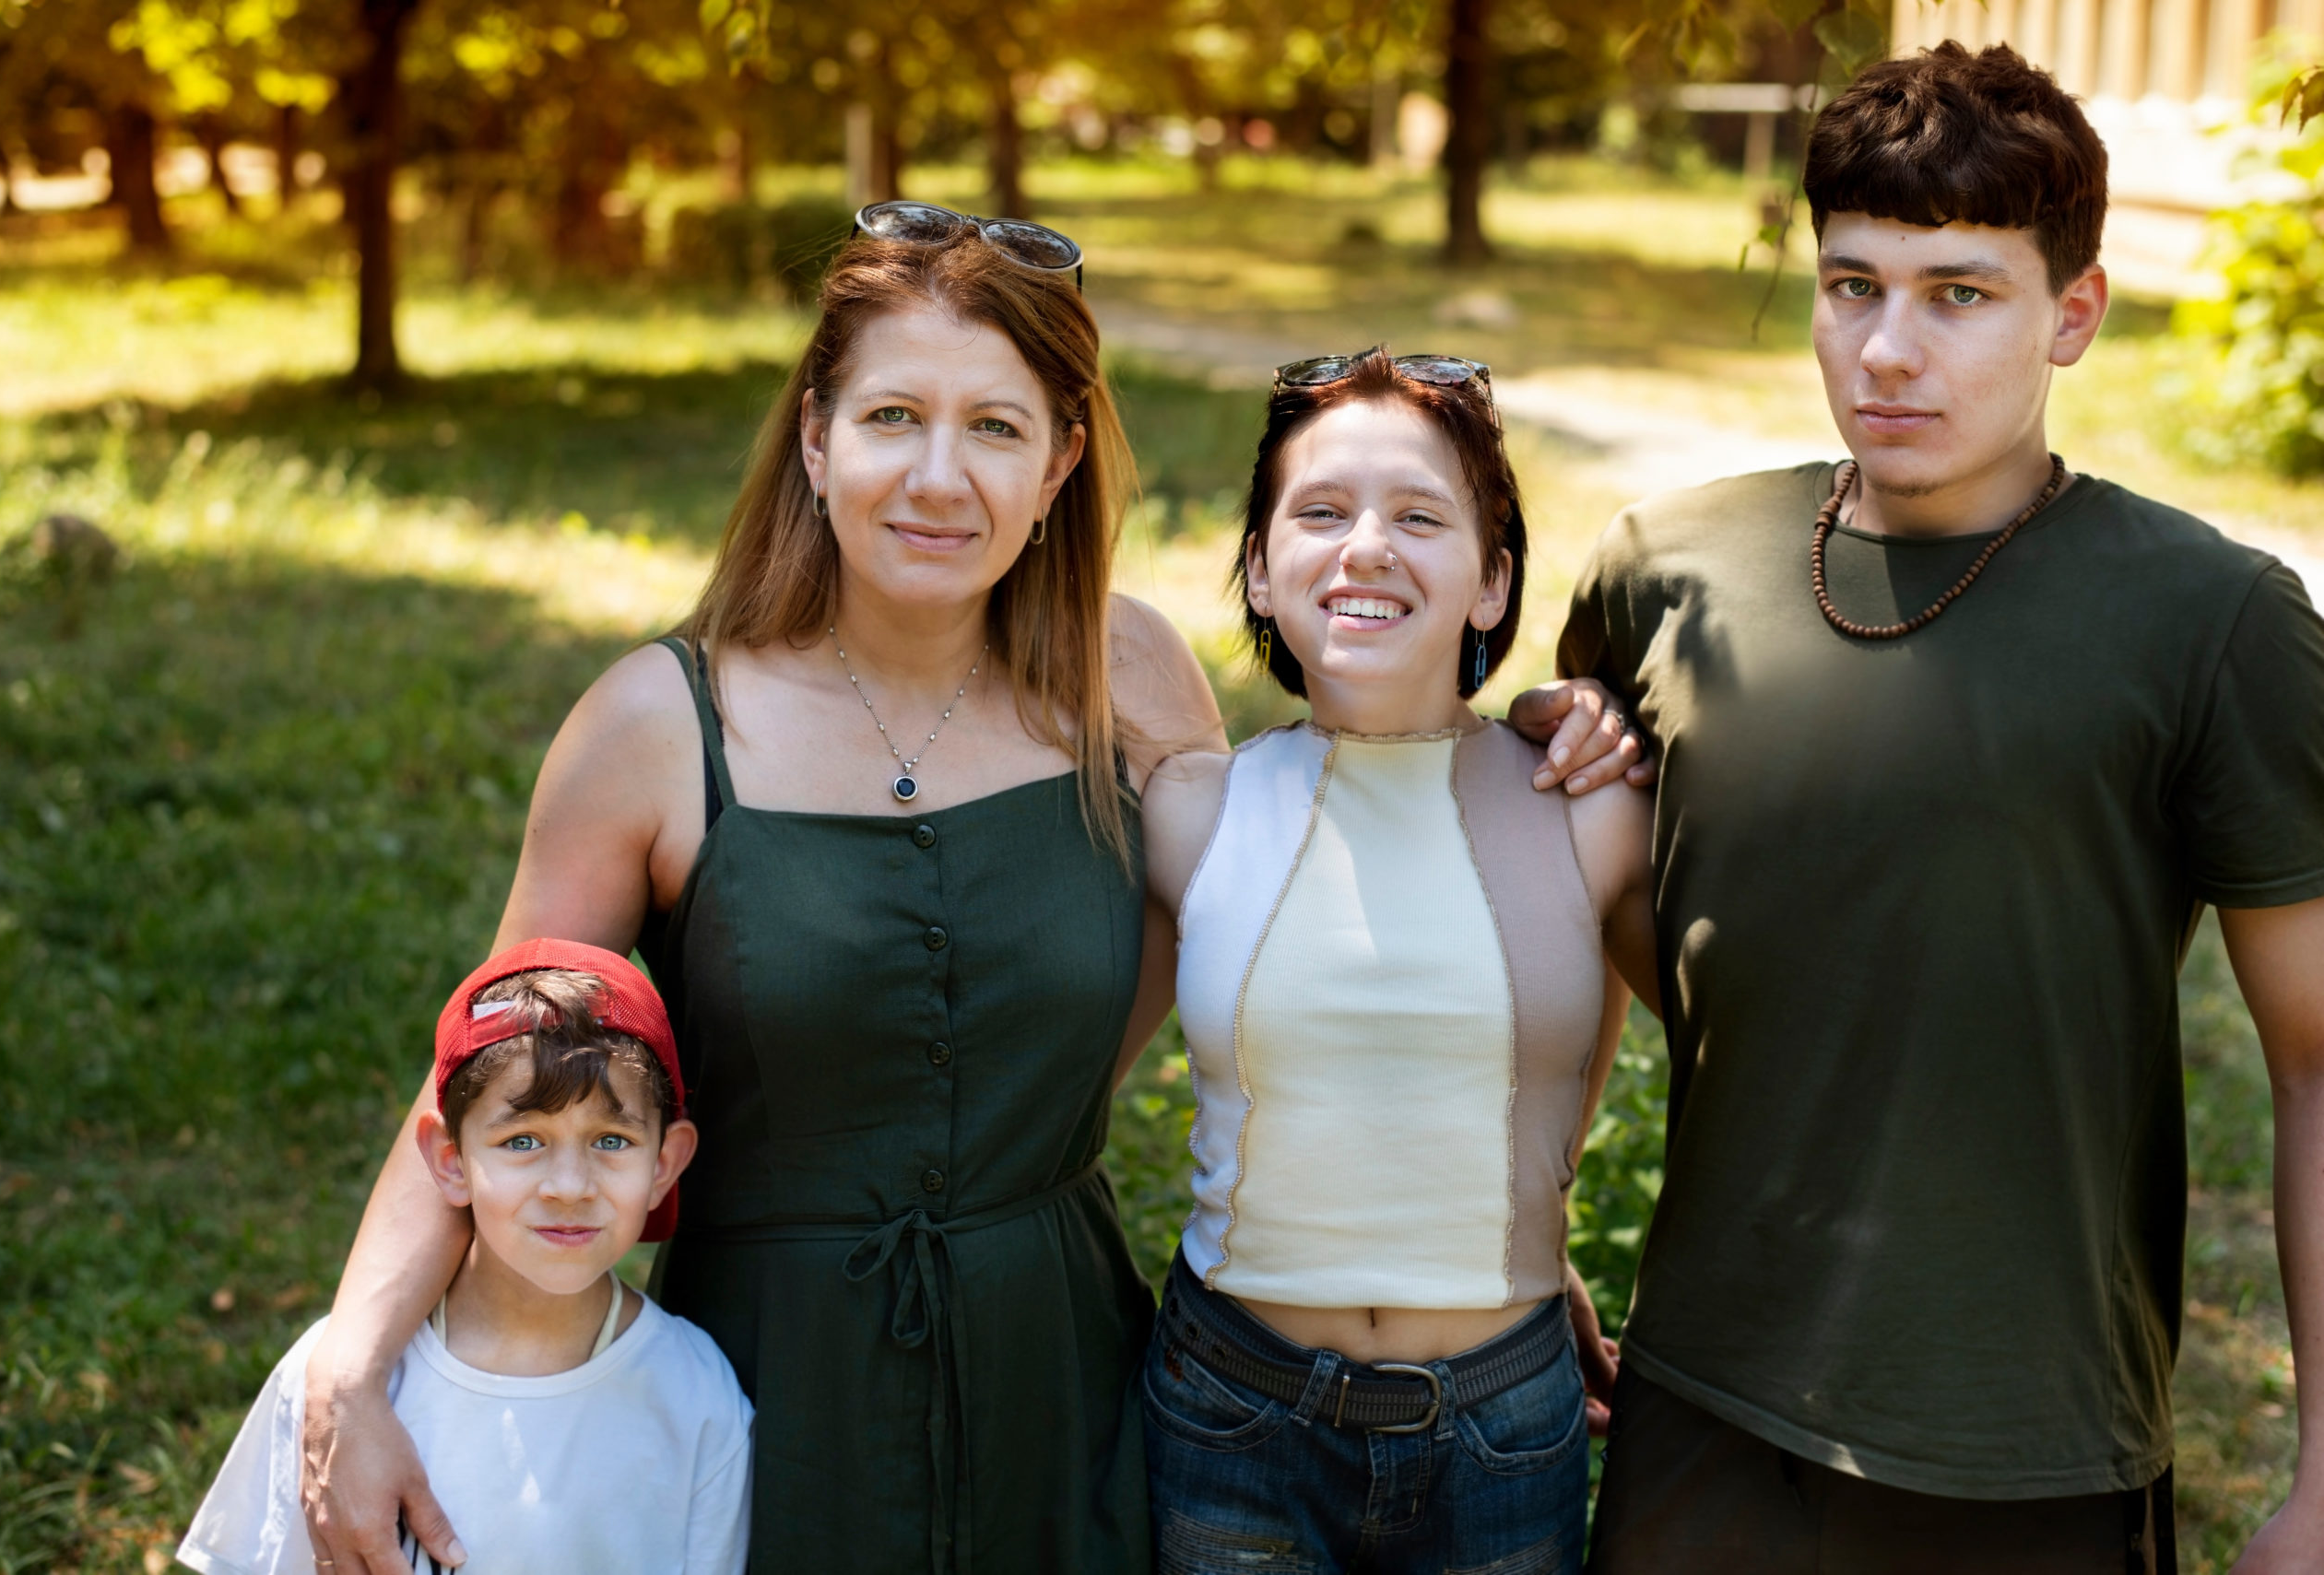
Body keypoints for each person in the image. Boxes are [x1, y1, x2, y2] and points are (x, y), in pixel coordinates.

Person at [290, 200, 1651, 1575]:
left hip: (1063, 1375)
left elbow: (1305, 933)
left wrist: (1503, 1226)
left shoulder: (1126, 680)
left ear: (1062, 461)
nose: (940, 478)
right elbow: (492, 1070)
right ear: (816, 437)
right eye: (894, 419)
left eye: (996, 428)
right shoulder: (655, 725)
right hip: (773, 1377)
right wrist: (353, 1358)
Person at [1554, 42, 2324, 1573]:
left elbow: (2318, 1062)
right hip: (1702, 1406)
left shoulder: (2212, 617)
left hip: (2022, 1440)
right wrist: (1531, 1227)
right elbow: (1653, 941)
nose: (1887, 350)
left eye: (1959, 294)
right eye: (1852, 285)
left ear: (2075, 314)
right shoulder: (1666, 574)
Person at [1138, 348, 1655, 1574]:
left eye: (1420, 516)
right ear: (1261, 570)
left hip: (1502, 1421)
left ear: (1494, 581)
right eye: (1319, 513)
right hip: (1229, 1409)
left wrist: (1547, 1212)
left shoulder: (1585, 807)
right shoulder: (1188, 813)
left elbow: (1593, 1009)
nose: (1365, 546)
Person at [179, 941, 749, 1575]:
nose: (569, 1184)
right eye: (523, 1139)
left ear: (664, 1164)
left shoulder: (698, 1397)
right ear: (450, 1161)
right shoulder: (335, 1384)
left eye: (611, 1139)